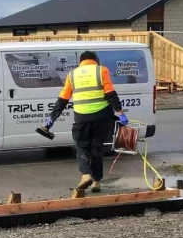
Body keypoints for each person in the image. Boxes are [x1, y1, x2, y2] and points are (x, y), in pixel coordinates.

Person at [42, 51, 127, 192]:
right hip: (101, 117)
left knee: (82, 147)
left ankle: (86, 174)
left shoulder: (72, 75)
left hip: (82, 118)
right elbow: (111, 93)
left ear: (81, 61)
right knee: (97, 149)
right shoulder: (101, 70)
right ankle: (96, 182)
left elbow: (63, 99)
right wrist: (120, 113)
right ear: (95, 60)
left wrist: (51, 119)